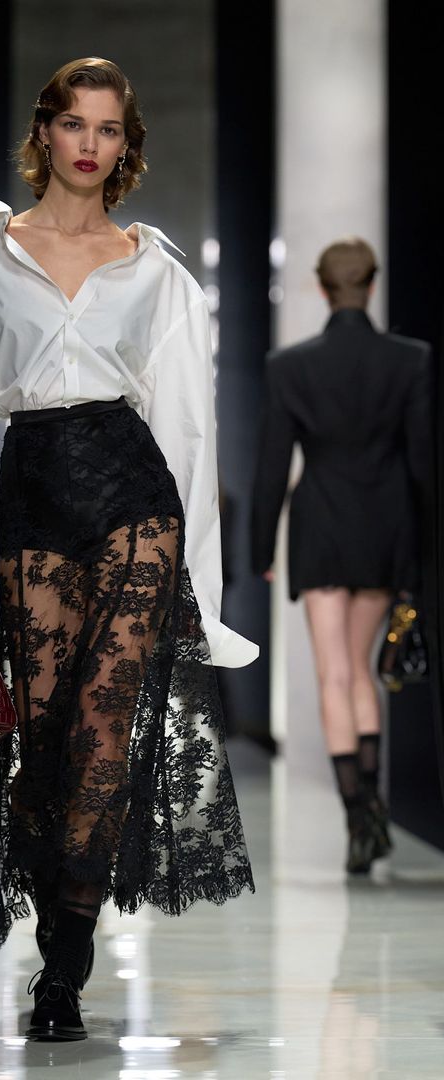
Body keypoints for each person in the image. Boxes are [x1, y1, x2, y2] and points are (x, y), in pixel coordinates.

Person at [0, 57, 258, 1041]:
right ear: (46, 133)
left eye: (109, 128)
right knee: (46, 744)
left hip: (132, 495)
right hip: (33, 495)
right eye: (76, 124)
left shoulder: (156, 269)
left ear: (125, 144)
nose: (91, 144)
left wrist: (201, 586)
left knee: (106, 732)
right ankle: (54, 921)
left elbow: (189, 428)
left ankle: (65, 964)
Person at [251, 237, 432, 875]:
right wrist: (422, 550)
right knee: (360, 670)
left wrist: (261, 548)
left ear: (323, 289)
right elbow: (422, 465)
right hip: (385, 527)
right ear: (371, 286)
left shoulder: (290, 366)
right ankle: (372, 807)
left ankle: (360, 818)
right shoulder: (410, 360)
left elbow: (272, 466)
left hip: (321, 526)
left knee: (334, 672)